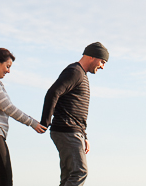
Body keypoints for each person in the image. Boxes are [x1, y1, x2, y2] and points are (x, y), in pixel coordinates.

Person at [0, 48, 47, 186]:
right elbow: (8, 108)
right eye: (7, 66)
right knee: (6, 181)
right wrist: (32, 122)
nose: (8, 71)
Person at [41, 42, 109, 186]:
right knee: (80, 171)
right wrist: (45, 122)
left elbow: (76, 111)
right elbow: (53, 93)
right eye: (102, 61)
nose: (103, 66)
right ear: (91, 56)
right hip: (67, 130)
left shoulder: (80, 74)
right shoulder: (75, 72)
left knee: (68, 176)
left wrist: (84, 135)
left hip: (73, 131)